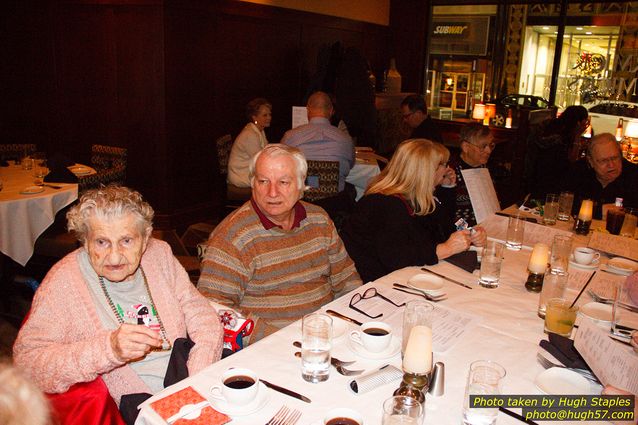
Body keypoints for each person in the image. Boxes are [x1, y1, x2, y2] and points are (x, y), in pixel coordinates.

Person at [13, 186, 224, 410]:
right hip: (138, 405)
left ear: (145, 240)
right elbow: (27, 365)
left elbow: (201, 314)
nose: (114, 257)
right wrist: (109, 349)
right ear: (85, 241)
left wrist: (199, 374)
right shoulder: (64, 282)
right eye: (101, 242)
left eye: (126, 241)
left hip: (189, 380)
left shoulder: (158, 254)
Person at [197, 144, 362, 342]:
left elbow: (347, 278)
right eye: (263, 181)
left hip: (327, 335)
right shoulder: (233, 237)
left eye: (283, 182)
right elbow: (214, 308)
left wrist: (354, 321)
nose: (272, 192)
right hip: (269, 348)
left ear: (302, 185)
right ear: (252, 183)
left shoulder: (319, 219)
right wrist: (277, 340)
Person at [340, 139, 487, 283]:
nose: (447, 169)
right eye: (442, 164)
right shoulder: (384, 203)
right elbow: (395, 258)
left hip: (402, 277)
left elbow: (443, 227)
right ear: (425, 171)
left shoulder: (416, 197)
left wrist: (471, 233)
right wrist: (444, 249)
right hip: (373, 286)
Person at [281, 91, 355, 192]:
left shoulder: (290, 136)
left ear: (307, 110)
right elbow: (351, 165)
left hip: (300, 200)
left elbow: (281, 165)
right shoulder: (346, 139)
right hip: (335, 202)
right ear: (331, 110)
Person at [562, 133, 638, 219]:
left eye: (615, 158)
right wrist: (597, 212)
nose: (611, 165)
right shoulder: (577, 172)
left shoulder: (634, 176)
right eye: (604, 161)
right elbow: (563, 206)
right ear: (591, 161)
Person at [524, 105, 589, 198]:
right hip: (547, 179)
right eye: (585, 122)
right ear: (578, 122)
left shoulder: (555, 127)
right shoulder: (560, 137)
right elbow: (571, 160)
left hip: (538, 175)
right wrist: (578, 136)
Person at [448, 123, 496, 226]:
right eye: (483, 146)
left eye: (491, 145)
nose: (489, 151)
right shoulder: (450, 172)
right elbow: (447, 214)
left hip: (488, 226)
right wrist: (470, 231)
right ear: (466, 147)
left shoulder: (485, 167)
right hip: (460, 230)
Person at [227, 98, 272, 188]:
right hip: (240, 176)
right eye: (265, 115)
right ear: (254, 117)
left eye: (269, 114)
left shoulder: (259, 130)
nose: (269, 118)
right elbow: (260, 161)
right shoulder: (250, 135)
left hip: (247, 171)